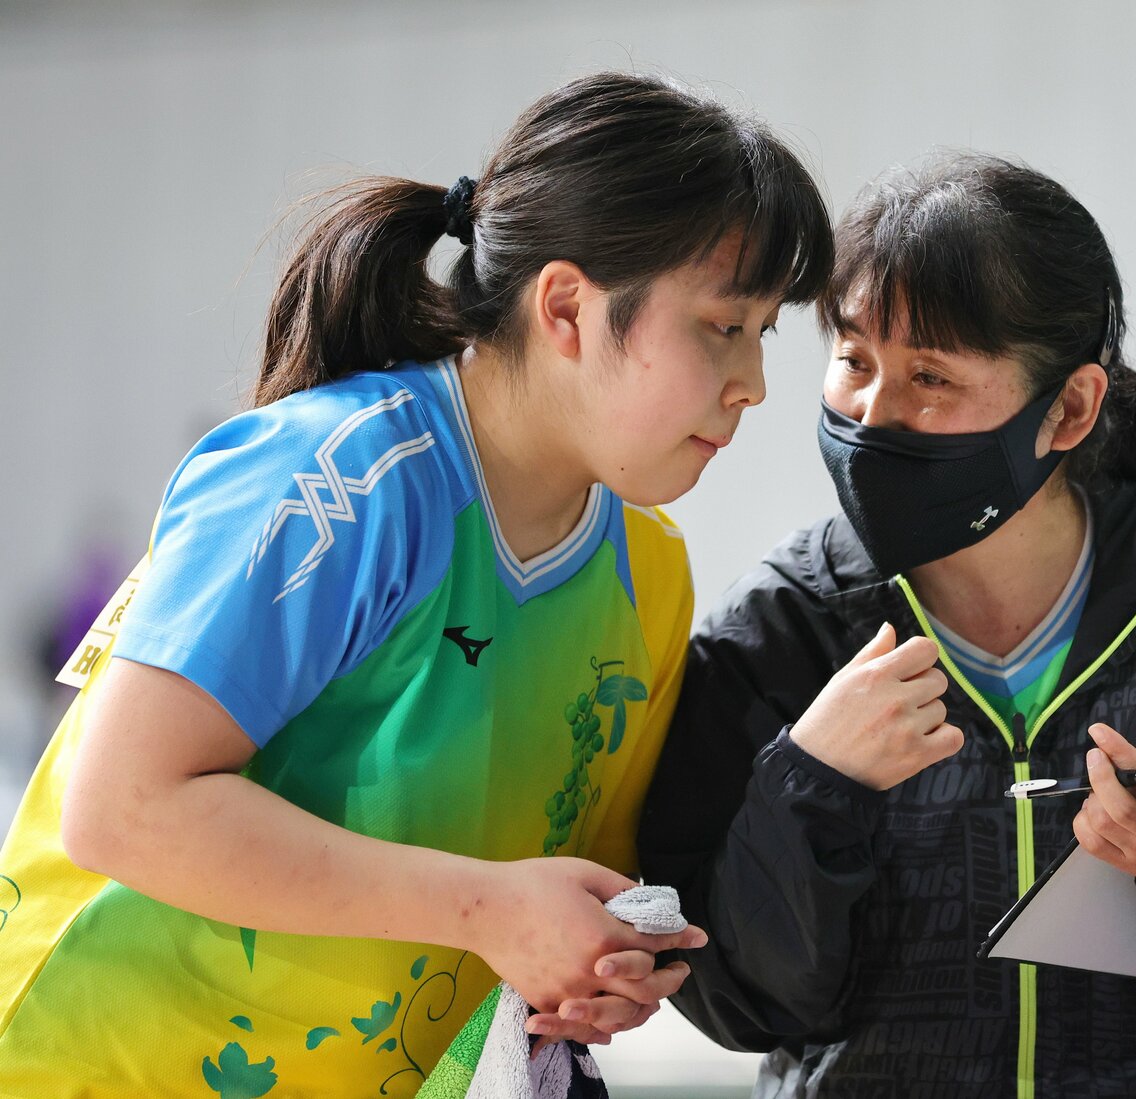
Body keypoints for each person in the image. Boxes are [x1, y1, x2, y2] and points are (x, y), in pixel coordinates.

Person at [0, 72, 831, 1097]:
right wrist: (488, 908)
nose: (754, 384)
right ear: (566, 307)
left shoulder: (650, 573)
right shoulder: (334, 482)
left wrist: (598, 965)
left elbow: (572, 895)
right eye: (722, 325)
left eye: (764, 332)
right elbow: (122, 808)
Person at [624, 154, 1136, 1098]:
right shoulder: (777, 635)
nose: (876, 415)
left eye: (931, 376)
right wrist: (813, 782)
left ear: (1071, 408)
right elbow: (736, 1001)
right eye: (854, 362)